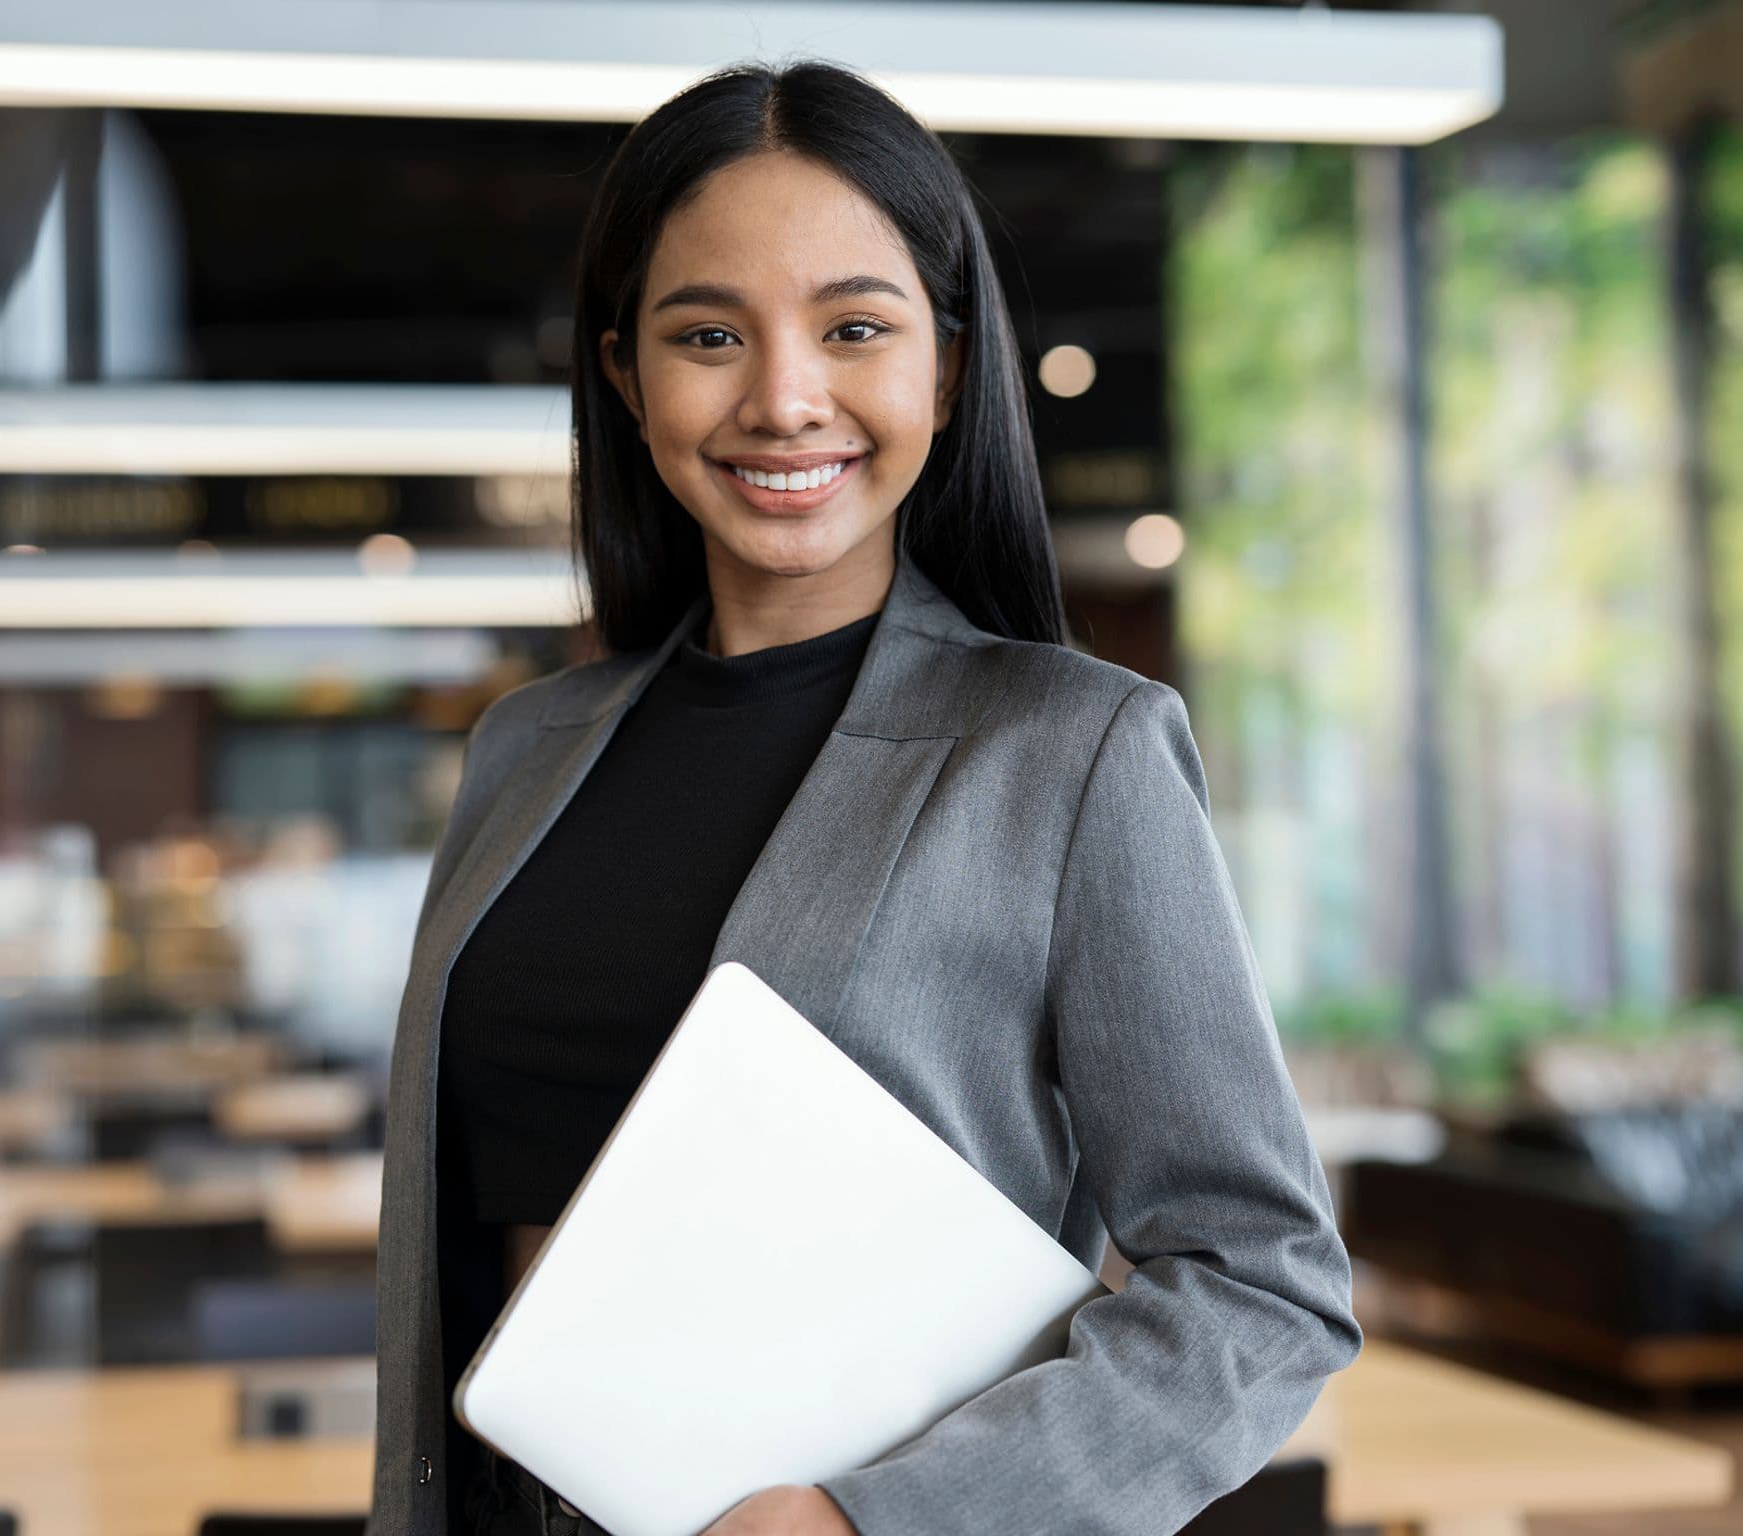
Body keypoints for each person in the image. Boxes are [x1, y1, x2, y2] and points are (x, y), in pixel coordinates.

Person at [367, 59, 1362, 1536]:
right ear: (628, 375)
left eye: (854, 328)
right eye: (709, 333)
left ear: (946, 369)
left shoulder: (1073, 753)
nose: (784, 398)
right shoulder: (527, 750)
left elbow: (1264, 1285)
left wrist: (871, 1524)